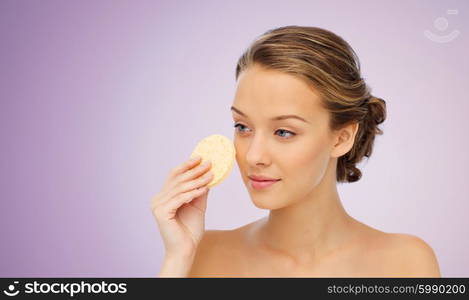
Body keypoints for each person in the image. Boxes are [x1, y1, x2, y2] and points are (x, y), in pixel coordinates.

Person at [151, 25, 441, 277]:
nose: (253, 156)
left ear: (341, 138)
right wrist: (177, 259)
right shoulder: (204, 255)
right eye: (242, 127)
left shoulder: (405, 263)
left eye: (284, 132)